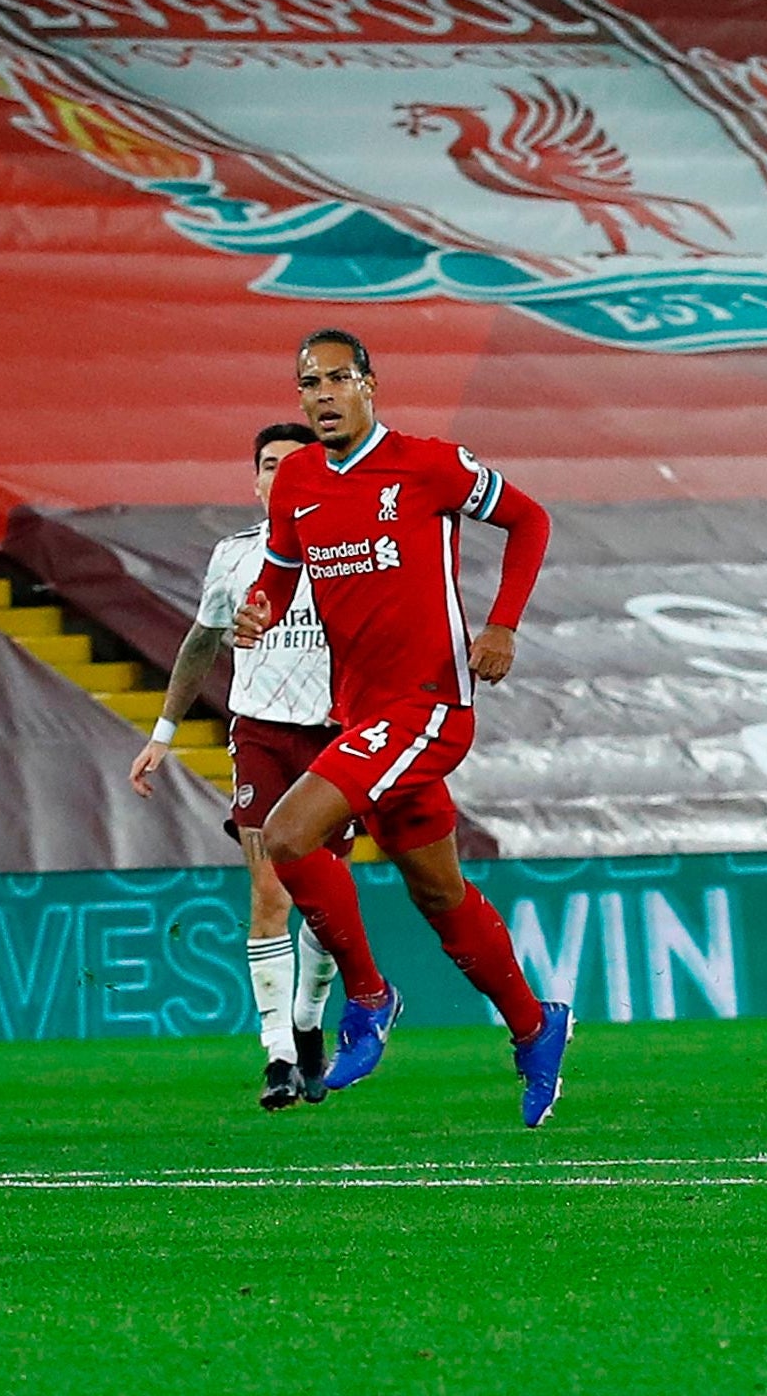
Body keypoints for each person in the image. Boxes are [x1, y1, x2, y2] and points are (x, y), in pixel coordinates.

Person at [233, 329, 573, 1125]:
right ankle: (534, 1027)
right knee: (439, 894)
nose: (319, 395)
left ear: (369, 385)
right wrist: (260, 612)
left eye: (334, 379)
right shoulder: (299, 484)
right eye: (305, 383)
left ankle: (369, 997)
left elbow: (529, 521)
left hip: (428, 704)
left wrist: (502, 626)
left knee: (287, 838)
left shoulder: (429, 465)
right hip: (357, 712)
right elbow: (280, 580)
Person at [130, 421, 349, 1111]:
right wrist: (162, 733)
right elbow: (200, 642)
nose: (278, 476)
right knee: (267, 895)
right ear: (254, 481)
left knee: (322, 908)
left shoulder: (350, 555)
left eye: (293, 464)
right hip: (258, 735)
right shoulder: (233, 557)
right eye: (268, 466)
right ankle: (277, 1055)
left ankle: (309, 1024)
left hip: (331, 740)